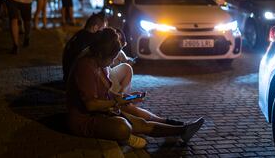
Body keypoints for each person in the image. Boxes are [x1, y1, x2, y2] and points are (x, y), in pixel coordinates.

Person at [66, 28, 205, 148]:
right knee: (124, 127)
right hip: (84, 120)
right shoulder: (85, 66)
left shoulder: (97, 61)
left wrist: (123, 98)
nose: (113, 62)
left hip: (100, 111)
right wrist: (116, 102)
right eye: (112, 58)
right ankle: (178, 130)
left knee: (140, 122)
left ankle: (183, 130)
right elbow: (90, 104)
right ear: (101, 54)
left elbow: (105, 92)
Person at [62, 12, 107, 85]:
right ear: (95, 28)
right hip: (78, 81)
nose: (103, 33)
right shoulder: (92, 39)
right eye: (103, 29)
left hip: (68, 77)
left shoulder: (79, 34)